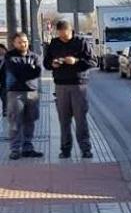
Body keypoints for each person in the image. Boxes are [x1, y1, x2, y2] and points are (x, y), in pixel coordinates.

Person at [43, 20, 97, 159]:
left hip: (78, 84)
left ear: (70, 31)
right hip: (60, 85)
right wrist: (53, 64)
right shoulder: (54, 44)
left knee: (81, 119)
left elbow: (93, 62)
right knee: (64, 120)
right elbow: (46, 63)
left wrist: (76, 61)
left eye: (65, 35)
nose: (62, 38)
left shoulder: (81, 42)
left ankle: (86, 149)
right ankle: (65, 149)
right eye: (60, 35)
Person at [3, 33, 43, 160]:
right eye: (20, 42)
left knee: (30, 121)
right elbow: (16, 72)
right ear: (14, 43)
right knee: (15, 122)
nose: (23, 44)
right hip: (16, 93)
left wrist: (26, 70)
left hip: (32, 92)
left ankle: (27, 147)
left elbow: (38, 71)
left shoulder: (35, 56)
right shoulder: (9, 57)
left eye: (25, 41)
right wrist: (29, 70)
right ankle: (15, 149)